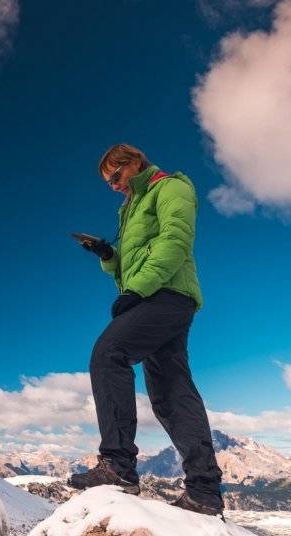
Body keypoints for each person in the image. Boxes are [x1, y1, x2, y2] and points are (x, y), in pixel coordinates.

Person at [68, 143, 224, 518]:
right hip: (154, 295)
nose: (114, 186)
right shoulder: (131, 208)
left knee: (108, 354)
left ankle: (118, 467)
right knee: (170, 391)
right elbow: (130, 268)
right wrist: (108, 256)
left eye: (116, 176)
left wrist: (138, 290)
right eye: (108, 183)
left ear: (135, 162)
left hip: (166, 294)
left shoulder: (170, 187)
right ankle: (203, 491)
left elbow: (175, 242)